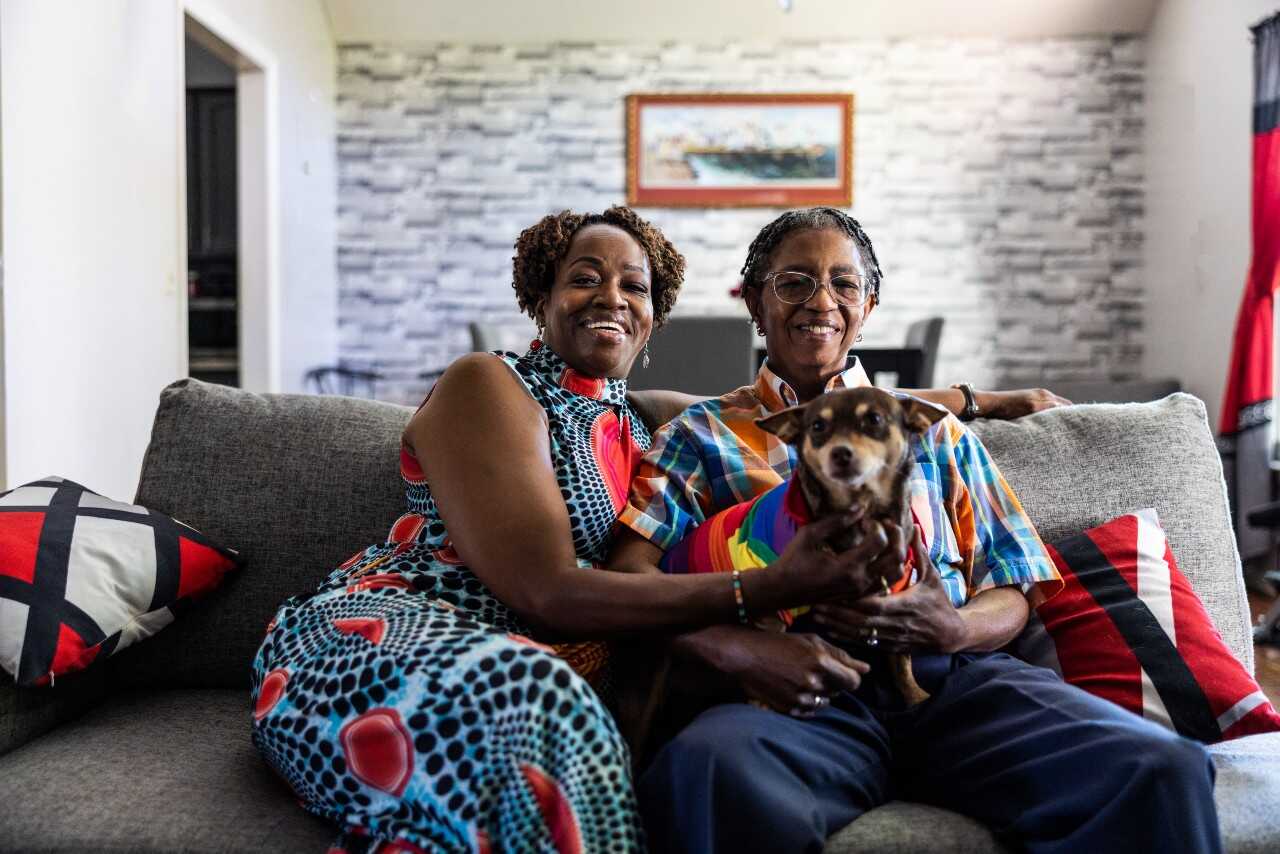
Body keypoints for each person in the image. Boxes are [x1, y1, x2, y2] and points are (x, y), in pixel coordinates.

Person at [250, 206, 956, 854]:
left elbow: (813, 396)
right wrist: (766, 589)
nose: (612, 297)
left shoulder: (645, 419)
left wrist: (981, 400)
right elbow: (545, 593)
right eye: (584, 278)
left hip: (528, 663)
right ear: (541, 298)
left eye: (635, 287)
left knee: (571, 718)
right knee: (539, 698)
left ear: (655, 318)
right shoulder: (488, 384)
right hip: (391, 628)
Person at [609, 207, 1222, 854]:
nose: (822, 301)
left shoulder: (939, 432)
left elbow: (1015, 585)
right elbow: (627, 577)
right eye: (794, 282)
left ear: (868, 307)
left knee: (1163, 768)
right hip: (798, 693)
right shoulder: (699, 437)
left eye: (844, 285)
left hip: (953, 681)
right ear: (756, 305)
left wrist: (955, 627)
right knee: (705, 768)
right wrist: (738, 649)